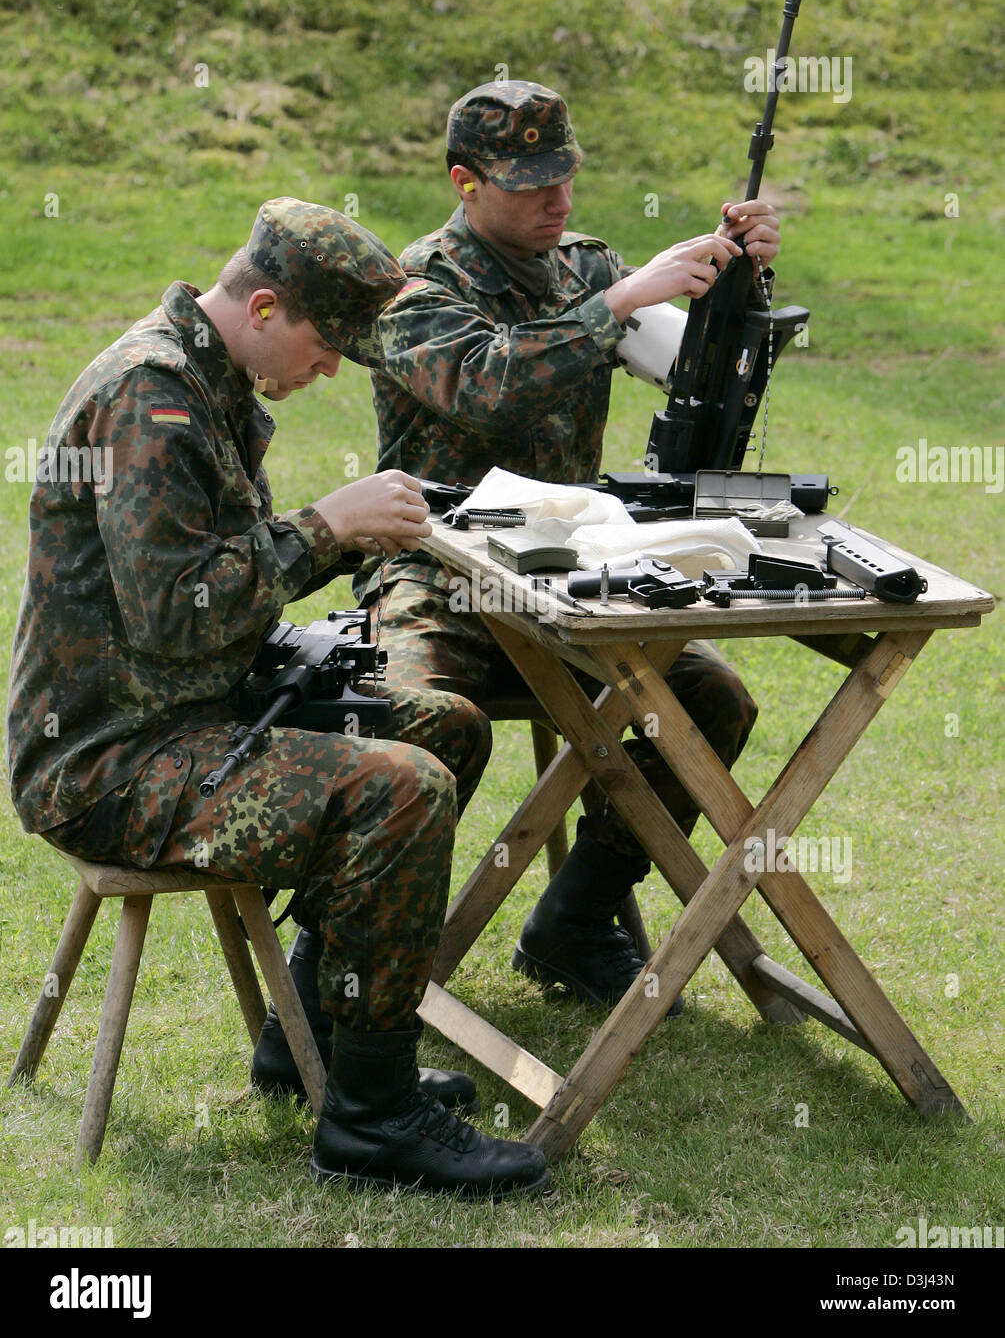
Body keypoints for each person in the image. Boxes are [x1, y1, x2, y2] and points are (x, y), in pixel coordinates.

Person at [5, 197, 548, 1198]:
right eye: (329, 341)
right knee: (403, 789)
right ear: (263, 307)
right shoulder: (149, 399)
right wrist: (327, 526)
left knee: (450, 728)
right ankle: (372, 1121)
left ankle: (316, 1037)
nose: (334, 367)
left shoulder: (202, 378)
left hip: (190, 712)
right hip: (107, 758)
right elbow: (178, 614)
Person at [351, 81, 781, 1013]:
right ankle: (346, 983)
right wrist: (622, 299)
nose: (559, 202)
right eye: (530, 183)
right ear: (465, 182)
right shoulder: (415, 288)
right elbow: (487, 387)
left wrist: (735, 284)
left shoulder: (584, 268)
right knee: (418, 726)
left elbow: (699, 381)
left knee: (710, 698)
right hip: (438, 572)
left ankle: (578, 918)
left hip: (570, 583)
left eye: (566, 176)